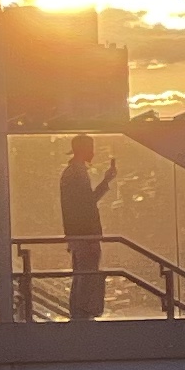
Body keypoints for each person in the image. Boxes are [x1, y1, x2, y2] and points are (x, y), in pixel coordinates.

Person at [60, 133, 116, 322]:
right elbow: (87, 203)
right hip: (84, 234)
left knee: (82, 274)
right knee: (86, 273)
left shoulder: (71, 172)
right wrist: (106, 181)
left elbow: (82, 203)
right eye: (91, 148)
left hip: (78, 233)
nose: (93, 153)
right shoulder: (77, 173)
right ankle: (82, 314)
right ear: (83, 150)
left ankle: (79, 312)